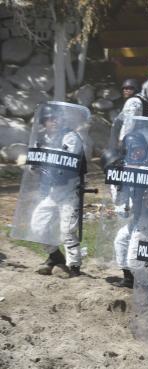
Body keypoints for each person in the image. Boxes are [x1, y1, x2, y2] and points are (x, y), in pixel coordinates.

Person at [30, 104, 85, 278]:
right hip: (52, 192)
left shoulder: (70, 137)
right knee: (37, 226)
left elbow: (67, 164)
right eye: (49, 119)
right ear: (43, 122)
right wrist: (36, 166)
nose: (53, 122)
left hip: (70, 190)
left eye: (56, 118)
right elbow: (34, 166)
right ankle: (55, 256)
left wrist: (47, 165)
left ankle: (73, 267)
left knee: (67, 231)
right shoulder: (42, 139)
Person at [110, 132, 148, 288]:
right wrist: (118, 184)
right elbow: (122, 207)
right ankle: (130, 279)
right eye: (134, 150)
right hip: (139, 215)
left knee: (134, 259)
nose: (138, 152)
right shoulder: (123, 167)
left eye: (140, 149)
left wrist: (139, 169)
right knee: (121, 240)